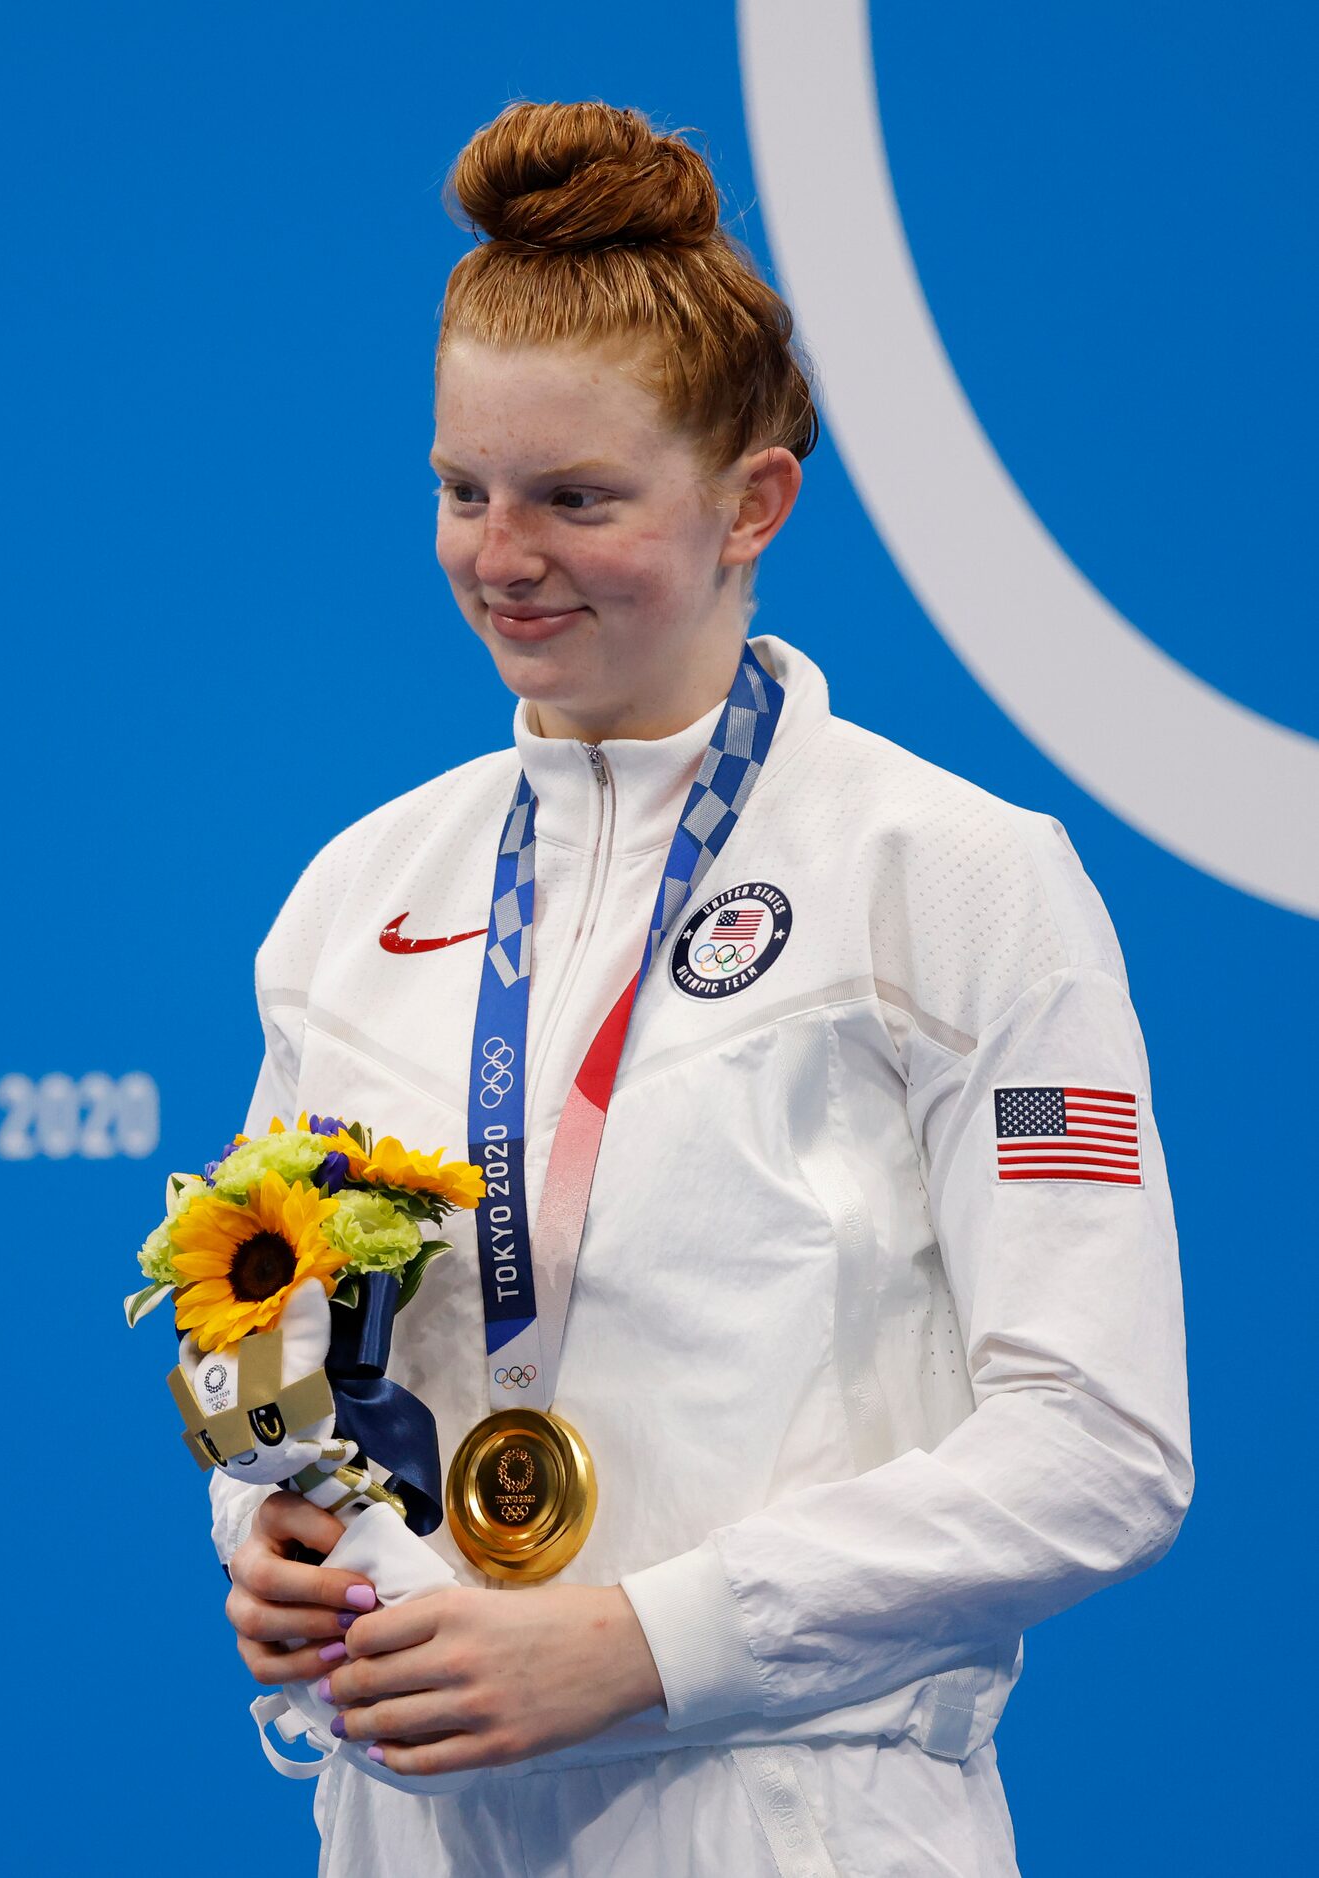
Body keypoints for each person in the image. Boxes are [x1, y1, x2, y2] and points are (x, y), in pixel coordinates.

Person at [207, 99, 1191, 1875]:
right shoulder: (361, 896)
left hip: (796, 1818)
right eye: (461, 489)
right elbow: (270, 1347)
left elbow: (1099, 1443)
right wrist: (268, 1534)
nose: (499, 556)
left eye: (577, 498)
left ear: (754, 502)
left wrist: (652, 1642)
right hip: (410, 1822)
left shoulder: (955, 876)